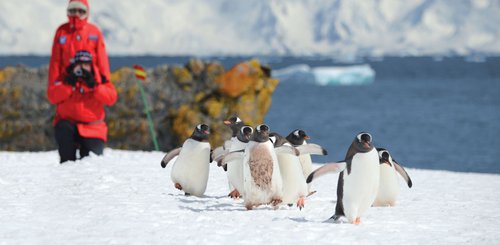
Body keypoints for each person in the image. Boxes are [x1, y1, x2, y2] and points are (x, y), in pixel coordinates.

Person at [47, 0, 117, 163]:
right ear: (67, 12)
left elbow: (110, 96)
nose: (76, 14)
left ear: (87, 12)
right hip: (66, 120)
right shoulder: (61, 32)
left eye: (80, 10)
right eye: (72, 10)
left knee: (92, 166)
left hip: (93, 123)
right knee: (67, 164)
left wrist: (94, 84)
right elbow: (52, 92)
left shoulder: (94, 33)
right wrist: (68, 83)